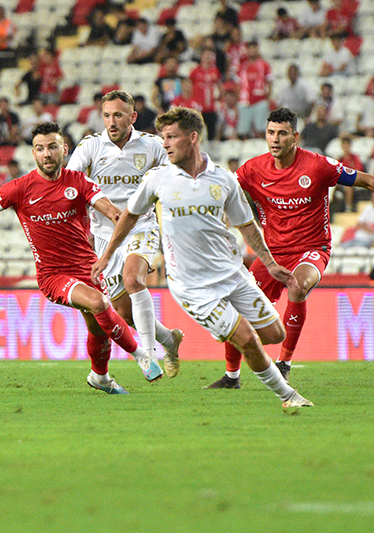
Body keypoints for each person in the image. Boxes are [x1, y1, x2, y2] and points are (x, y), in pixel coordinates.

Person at [91, 107, 312, 407]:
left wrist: (270, 263)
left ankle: (227, 329)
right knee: (247, 339)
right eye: (163, 137)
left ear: (193, 138)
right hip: (192, 286)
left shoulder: (223, 179)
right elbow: (129, 215)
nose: (165, 144)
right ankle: (289, 396)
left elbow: (247, 225)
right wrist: (107, 255)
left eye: (172, 137)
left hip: (233, 275)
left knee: (275, 334)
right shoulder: (158, 179)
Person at [220, 107, 374, 386]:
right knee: (239, 305)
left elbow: (367, 180)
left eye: (282, 133)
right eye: (271, 132)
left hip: (311, 249)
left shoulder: (317, 166)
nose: (275, 139)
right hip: (272, 253)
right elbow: (223, 191)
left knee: (298, 286)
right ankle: (231, 377)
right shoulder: (253, 169)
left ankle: (284, 364)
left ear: (295, 137)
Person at [0, 122, 163, 394]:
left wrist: (134, 244)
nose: (47, 154)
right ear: (33, 153)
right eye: (40, 148)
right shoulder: (20, 188)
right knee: (99, 303)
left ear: (65, 150)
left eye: (52, 147)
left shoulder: (79, 182)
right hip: (53, 275)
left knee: (98, 328)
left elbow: (113, 213)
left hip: (88, 269)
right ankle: (142, 356)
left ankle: (100, 377)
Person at [66, 90, 185, 376]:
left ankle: (149, 356)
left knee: (133, 279)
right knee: (124, 312)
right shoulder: (91, 147)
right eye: (106, 115)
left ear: (132, 117)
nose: (111, 121)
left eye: (118, 115)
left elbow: (175, 180)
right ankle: (169, 339)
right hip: (104, 236)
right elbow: (70, 184)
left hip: (140, 226)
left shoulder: (152, 146)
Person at [236, 40, 273, 139]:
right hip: (244, 101)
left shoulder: (264, 65)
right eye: (250, 49)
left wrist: (268, 98)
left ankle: (261, 147)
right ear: (247, 51)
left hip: (260, 100)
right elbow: (238, 84)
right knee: (243, 131)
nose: (252, 51)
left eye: (254, 48)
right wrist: (237, 99)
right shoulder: (242, 66)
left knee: (261, 129)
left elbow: (269, 82)